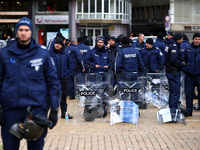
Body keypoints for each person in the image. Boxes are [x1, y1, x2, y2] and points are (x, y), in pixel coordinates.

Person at [0, 17, 60, 150]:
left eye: (26, 30)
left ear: (31, 32)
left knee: (36, 147)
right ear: (17, 32)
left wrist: (55, 109)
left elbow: (53, 82)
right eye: (20, 30)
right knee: (9, 147)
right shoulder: (5, 54)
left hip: (36, 110)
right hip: (11, 110)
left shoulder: (42, 53)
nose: (23, 33)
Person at [49, 38, 74, 119]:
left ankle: (64, 112)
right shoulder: (49, 54)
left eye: (59, 43)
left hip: (63, 78)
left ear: (62, 45)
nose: (57, 45)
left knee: (63, 96)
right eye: (56, 43)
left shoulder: (66, 54)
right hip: (52, 79)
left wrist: (67, 74)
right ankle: (49, 113)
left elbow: (70, 65)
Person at [165, 33, 185, 109]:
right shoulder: (174, 46)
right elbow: (173, 60)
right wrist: (182, 64)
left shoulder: (169, 45)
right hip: (174, 72)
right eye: (181, 39)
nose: (182, 40)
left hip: (170, 71)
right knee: (175, 92)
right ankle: (173, 110)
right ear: (178, 39)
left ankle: (172, 108)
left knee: (173, 92)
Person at [182, 33, 200, 117]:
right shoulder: (187, 48)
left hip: (199, 75)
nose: (197, 41)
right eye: (196, 39)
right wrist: (185, 69)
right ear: (193, 39)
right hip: (189, 75)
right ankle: (189, 110)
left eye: (199, 39)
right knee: (189, 93)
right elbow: (183, 59)